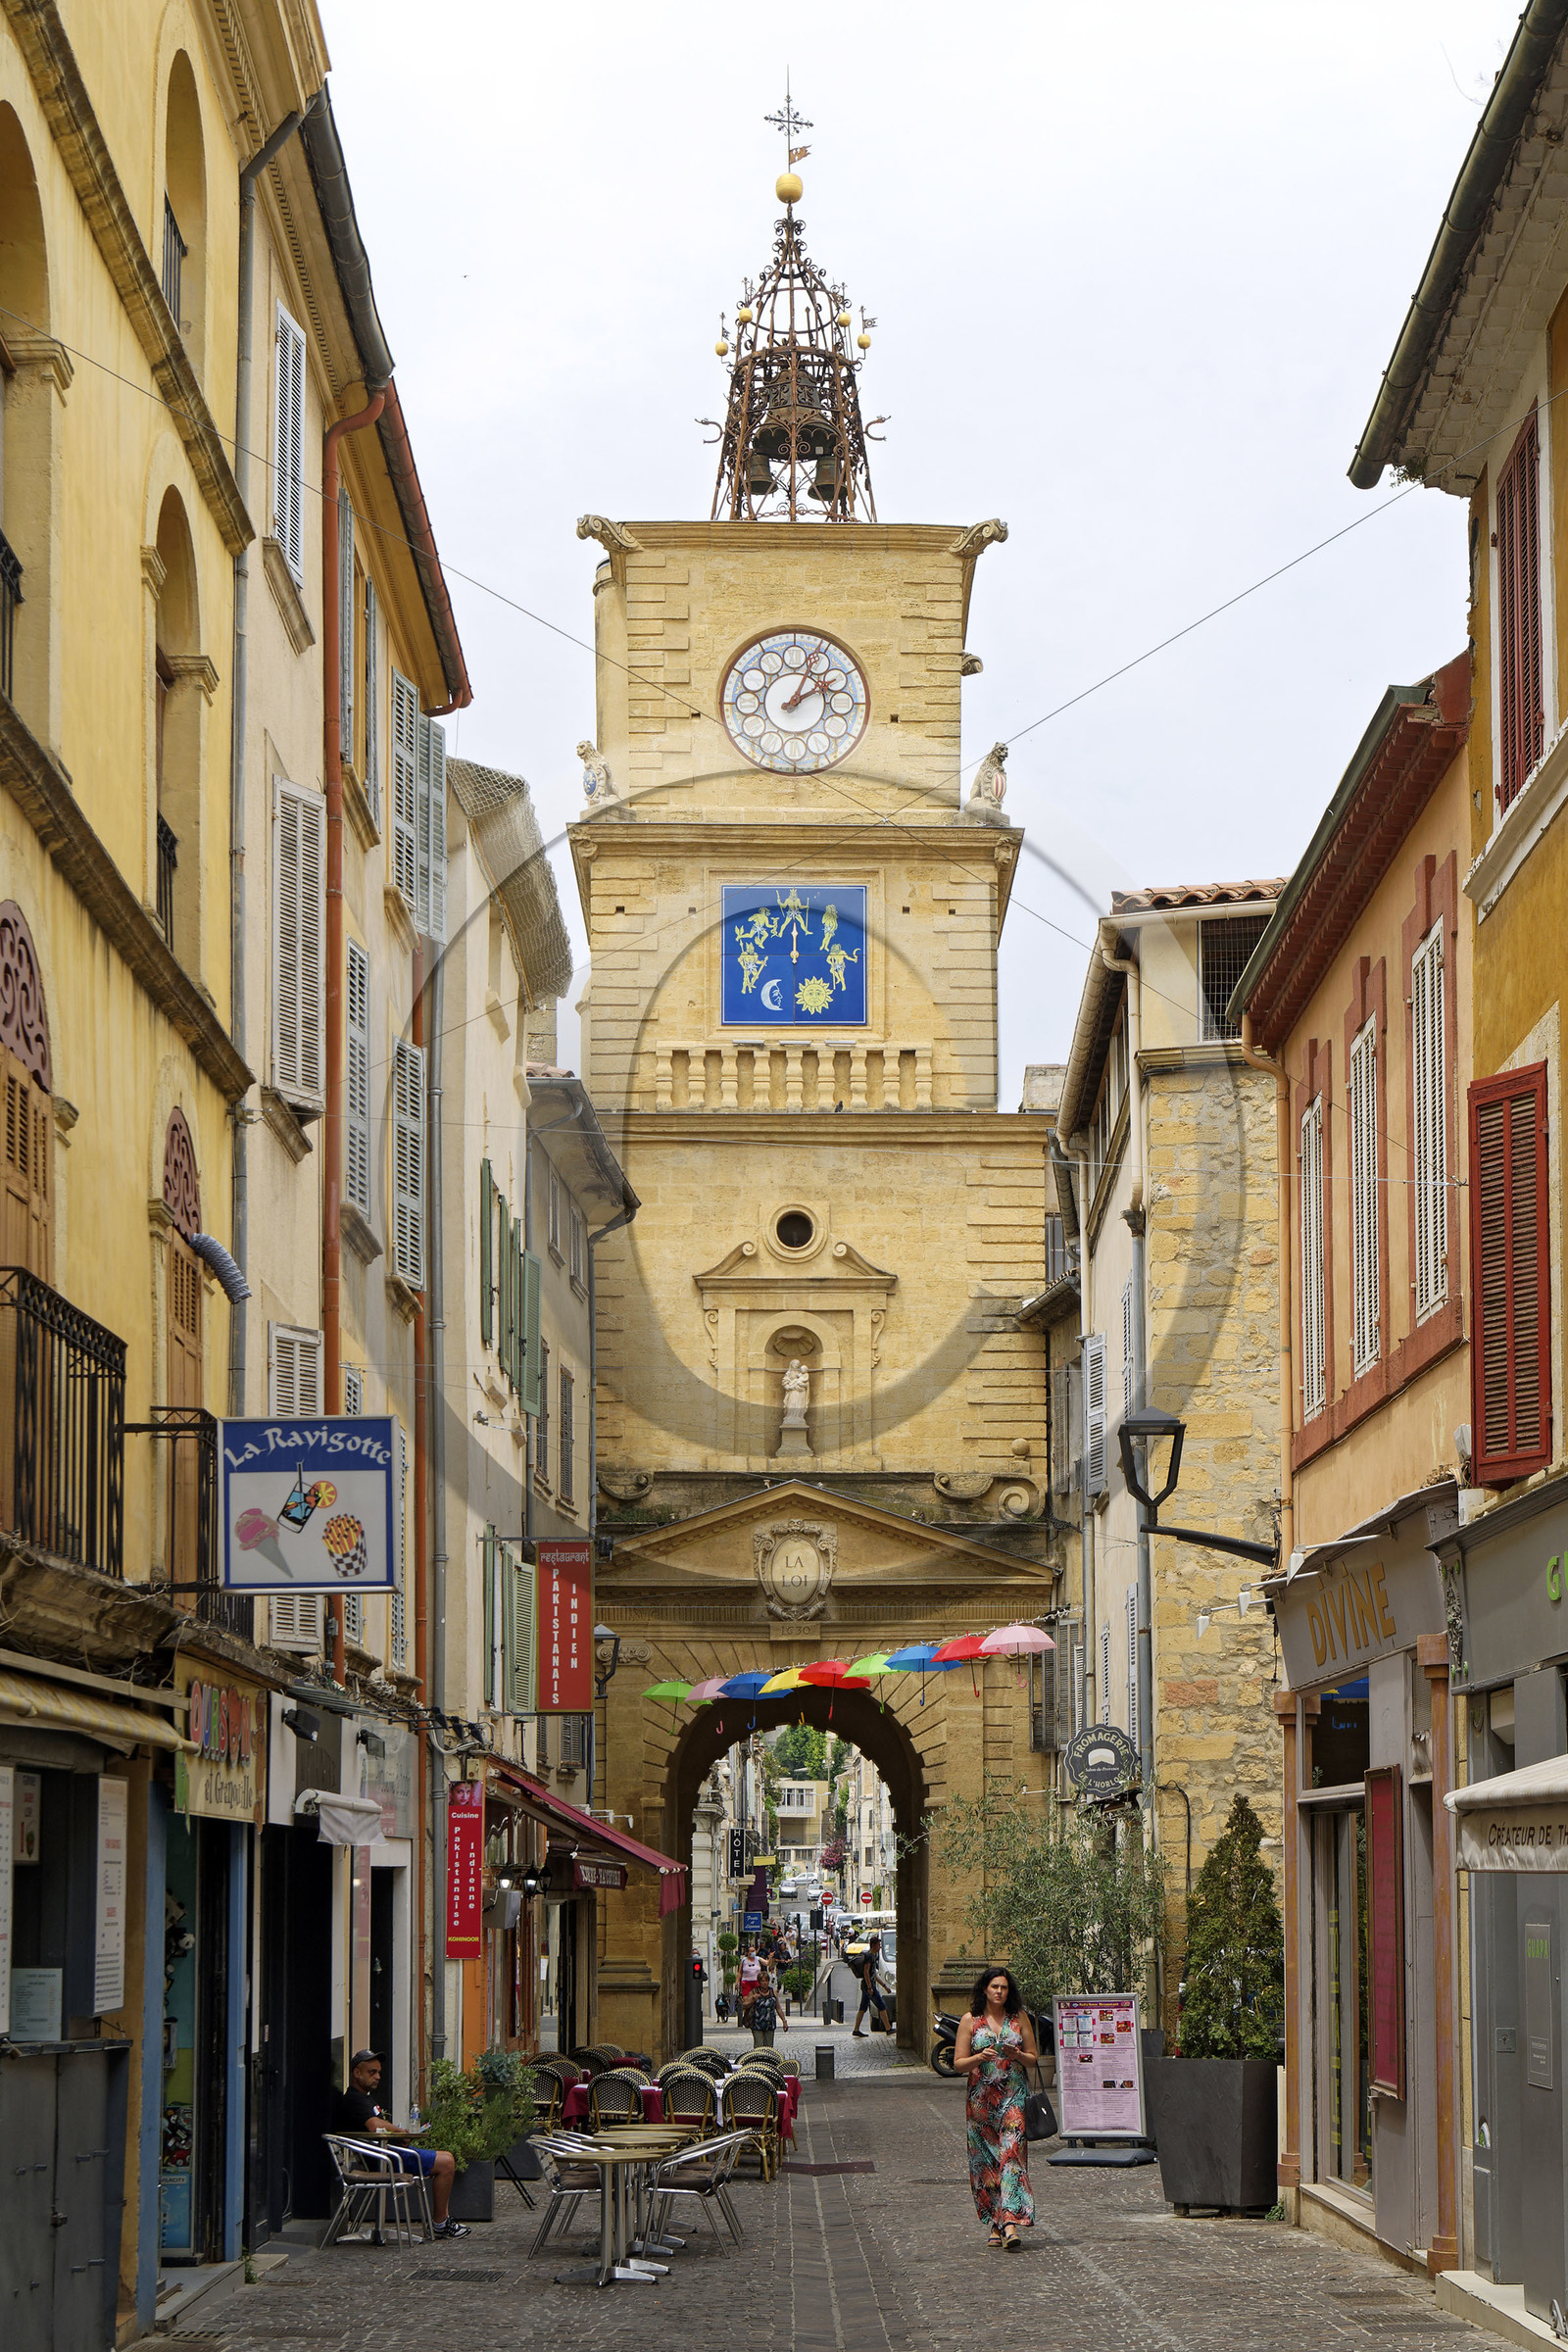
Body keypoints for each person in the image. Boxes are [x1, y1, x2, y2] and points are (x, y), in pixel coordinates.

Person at [331, 2049, 470, 2239]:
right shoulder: (355, 2099)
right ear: (357, 2073)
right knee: (446, 2162)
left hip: (385, 2154)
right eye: (372, 2072)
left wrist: (396, 2136)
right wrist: (398, 2132)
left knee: (446, 2157)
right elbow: (374, 2126)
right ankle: (440, 2224)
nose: (378, 2077)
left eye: (379, 2072)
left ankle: (443, 2220)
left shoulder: (364, 2098)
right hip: (382, 2160)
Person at [952, 1966, 1037, 2250]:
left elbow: (1033, 2059)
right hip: (981, 2103)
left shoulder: (1019, 2018)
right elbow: (958, 2063)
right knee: (988, 2165)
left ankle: (1010, 2224)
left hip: (1013, 2099)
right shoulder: (970, 2021)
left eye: (1003, 1987)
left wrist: (1019, 2054)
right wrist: (979, 2057)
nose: (999, 1992)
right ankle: (995, 2223)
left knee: (1011, 2158)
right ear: (985, 1990)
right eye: (994, 1987)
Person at [851, 1934, 890, 2037]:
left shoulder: (872, 1956)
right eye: (878, 1945)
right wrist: (869, 1987)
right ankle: (888, 2028)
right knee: (881, 2006)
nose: (880, 1947)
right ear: (873, 1945)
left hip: (868, 1985)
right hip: (869, 1986)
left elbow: (874, 1974)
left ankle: (856, 2030)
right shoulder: (869, 1957)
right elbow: (866, 1972)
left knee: (863, 2008)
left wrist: (884, 1986)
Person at [750, 1962, 788, 2049]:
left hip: (770, 2024)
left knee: (769, 2048)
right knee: (758, 2047)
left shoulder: (773, 1992)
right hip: (757, 2024)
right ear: (759, 1982)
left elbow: (778, 2007)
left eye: (766, 1980)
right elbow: (745, 2005)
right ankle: (759, 2062)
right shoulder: (754, 1992)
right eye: (763, 1981)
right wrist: (753, 1999)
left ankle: (768, 2062)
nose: (765, 1983)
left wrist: (784, 2021)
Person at [738, 1942, 761, 2026]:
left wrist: (770, 1958)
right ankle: (747, 2017)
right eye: (751, 1951)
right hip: (746, 1982)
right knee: (746, 2000)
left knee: (756, 2000)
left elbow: (767, 1963)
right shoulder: (744, 1960)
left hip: (756, 1982)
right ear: (748, 1952)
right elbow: (739, 1972)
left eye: (754, 1951)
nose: (752, 1952)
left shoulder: (758, 1959)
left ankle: (755, 2017)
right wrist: (737, 1982)